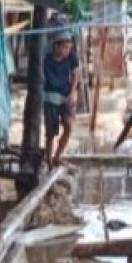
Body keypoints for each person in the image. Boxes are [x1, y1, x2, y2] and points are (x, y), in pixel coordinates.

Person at [43, 31, 79, 167]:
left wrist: (73, 92)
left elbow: (76, 74)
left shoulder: (71, 57)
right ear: (56, 47)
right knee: (50, 132)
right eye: (64, 47)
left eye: (69, 47)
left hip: (65, 96)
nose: (67, 50)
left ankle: (58, 156)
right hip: (50, 97)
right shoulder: (46, 59)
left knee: (69, 126)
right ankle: (49, 159)